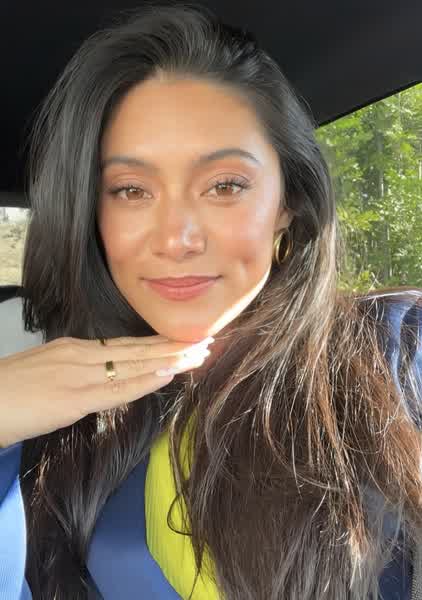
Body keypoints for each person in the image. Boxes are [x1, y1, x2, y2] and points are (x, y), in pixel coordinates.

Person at [0, 1, 421, 598]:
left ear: (288, 202)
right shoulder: (52, 423)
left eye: (225, 185)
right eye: (131, 190)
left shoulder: (400, 350)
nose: (176, 239)